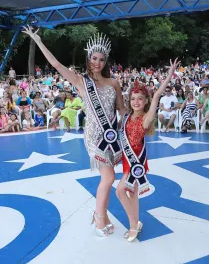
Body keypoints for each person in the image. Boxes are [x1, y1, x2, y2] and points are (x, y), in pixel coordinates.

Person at [23, 26, 125, 237]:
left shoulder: (114, 83)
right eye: (94, 58)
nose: (97, 63)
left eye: (101, 60)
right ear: (88, 60)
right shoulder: (81, 82)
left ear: (105, 62)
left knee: (108, 178)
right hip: (94, 137)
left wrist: (140, 107)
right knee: (108, 178)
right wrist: (39, 41)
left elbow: (121, 110)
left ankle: (102, 216)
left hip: (112, 136)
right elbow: (56, 64)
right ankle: (99, 218)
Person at [116, 59, 179, 242]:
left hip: (137, 160)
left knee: (120, 191)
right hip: (127, 160)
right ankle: (136, 223)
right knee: (131, 193)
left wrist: (169, 74)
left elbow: (158, 93)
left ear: (145, 102)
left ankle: (133, 224)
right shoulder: (127, 116)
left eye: (140, 99)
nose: (136, 102)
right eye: (133, 98)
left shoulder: (146, 117)